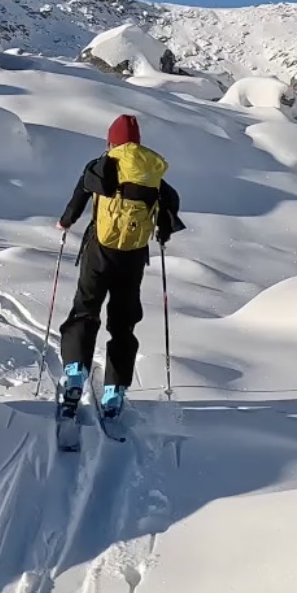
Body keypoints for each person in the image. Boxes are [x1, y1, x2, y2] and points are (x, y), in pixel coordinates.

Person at [55, 113, 182, 419]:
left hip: (100, 249)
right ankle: (114, 390)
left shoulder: (102, 163)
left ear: (112, 139)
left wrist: (66, 221)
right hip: (134, 255)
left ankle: (75, 371)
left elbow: (80, 194)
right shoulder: (150, 170)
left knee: (86, 308)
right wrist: (162, 232)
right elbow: (170, 202)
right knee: (123, 322)